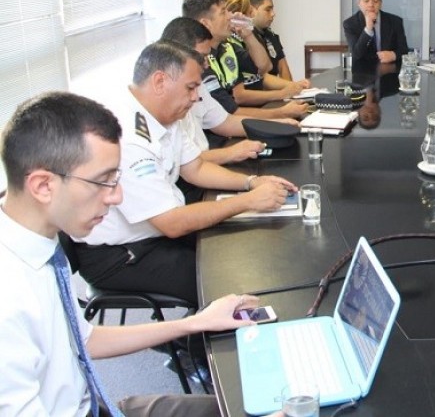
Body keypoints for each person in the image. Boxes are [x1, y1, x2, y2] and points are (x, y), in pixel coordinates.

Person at [0, 90, 273, 416]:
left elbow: (84, 339)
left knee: (245, 408)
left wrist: (197, 323)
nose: (116, 197)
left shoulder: (38, 246)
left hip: (94, 407)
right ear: (43, 186)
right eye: (104, 182)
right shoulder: (10, 295)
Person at [74, 41, 296, 306]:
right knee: (227, 281)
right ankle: (205, 331)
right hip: (120, 255)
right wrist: (248, 201)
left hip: (156, 233)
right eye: (190, 88)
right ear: (159, 82)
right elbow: (172, 223)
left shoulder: (164, 116)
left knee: (244, 245)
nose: (195, 97)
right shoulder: (126, 136)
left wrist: (251, 182)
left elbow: (195, 168)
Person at [160, 16, 298, 168]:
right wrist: (233, 153)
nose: (206, 64)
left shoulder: (199, 84)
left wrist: (274, 125)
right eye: (202, 57)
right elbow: (186, 162)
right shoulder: (163, 102)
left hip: (205, 165)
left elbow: (225, 122)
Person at [181, 0, 307, 120]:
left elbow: (264, 67)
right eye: (223, 12)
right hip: (224, 126)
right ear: (205, 23)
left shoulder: (227, 47)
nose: (230, 16)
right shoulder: (197, 59)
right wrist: (282, 110)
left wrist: (248, 35)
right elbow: (230, 112)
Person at [224, 0, 309, 106]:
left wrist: (292, 86)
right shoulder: (228, 45)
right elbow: (239, 96)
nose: (252, 17)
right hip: (246, 107)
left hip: (258, 103)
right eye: (248, 13)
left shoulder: (250, 37)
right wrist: (282, 93)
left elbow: (264, 70)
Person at [343, 0, 409, 66]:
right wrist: (368, 29)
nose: (371, 5)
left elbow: (404, 50)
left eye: (375, 1)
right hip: (362, 70)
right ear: (358, 2)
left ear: (380, 3)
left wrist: (394, 55)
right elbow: (356, 54)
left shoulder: (395, 21)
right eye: (366, 0)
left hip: (389, 69)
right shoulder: (350, 24)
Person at [244, 0, 295, 80]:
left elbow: (283, 67)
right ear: (251, 10)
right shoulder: (243, 37)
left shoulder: (270, 34)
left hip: (278, 87)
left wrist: (291, 87)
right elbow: (260, 77)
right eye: (268, 10)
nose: (273, 14)